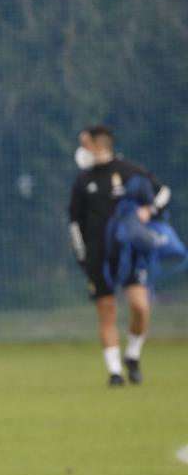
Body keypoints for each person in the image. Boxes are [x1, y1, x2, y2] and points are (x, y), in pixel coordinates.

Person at [70, 124, 172, 386]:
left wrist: (149, 210)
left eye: (84, 144)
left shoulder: (129, 172)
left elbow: (163, 193)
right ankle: (115, 372)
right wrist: (82, 255)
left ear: (98, 145)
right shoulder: (83, 181)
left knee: (139, 306)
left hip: (130, 254)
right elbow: (74, 222)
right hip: (98, 255)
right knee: (107, 310)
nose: (81, 151)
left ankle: (133, 354)